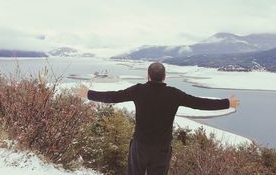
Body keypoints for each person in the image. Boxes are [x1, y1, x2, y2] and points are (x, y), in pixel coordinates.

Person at [75, 62, 240, 175]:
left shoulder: (138, 90)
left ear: (148, 75)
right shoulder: (174, 94)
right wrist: (227, 103)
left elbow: (113, 97)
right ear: (164, 76)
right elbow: (199, 103)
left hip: (140, 146)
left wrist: (88, 94)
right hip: (162, 149)